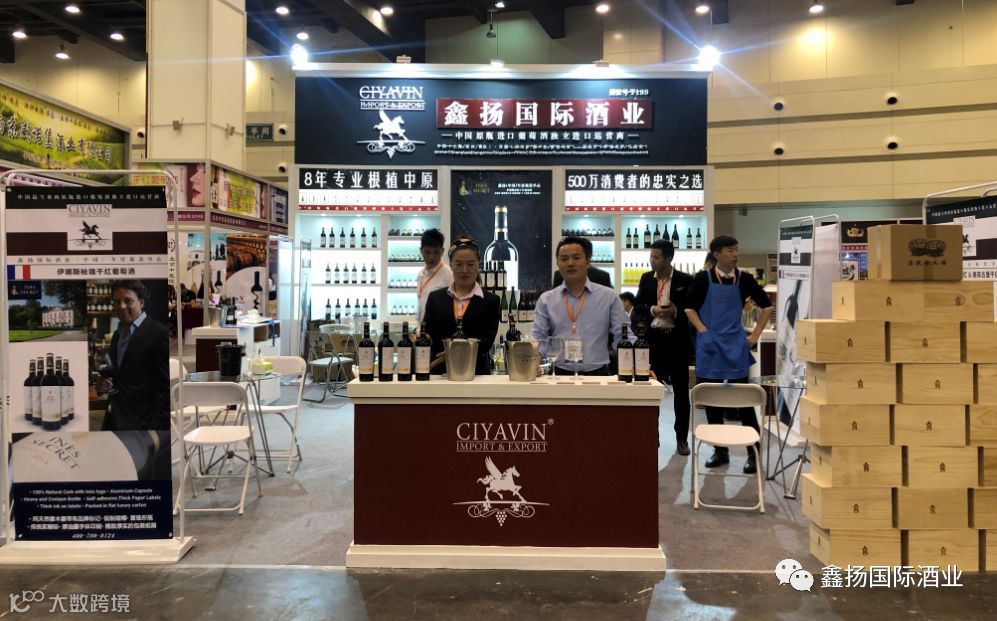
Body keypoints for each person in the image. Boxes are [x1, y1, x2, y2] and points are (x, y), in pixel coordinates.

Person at [685, 235, 773, 474]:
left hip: (735, 345)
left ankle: (753, 452)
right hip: (710, 345)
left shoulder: (744, 279)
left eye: (736, 249)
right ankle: (720, 450)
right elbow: (689, 308)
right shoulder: (702, 279)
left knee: (742, 399)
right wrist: (703, 330)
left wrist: (755, 335)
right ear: (717, 254)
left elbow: (767, 306)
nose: (735, 254)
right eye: (730, 250)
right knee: (712, 399)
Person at [533, 236, 629, 376]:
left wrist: (638, 364)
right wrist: (532, 363)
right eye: (564, 259)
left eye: (576, 257)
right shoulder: (546, 300)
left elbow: (623, 335)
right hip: (559, 376)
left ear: (588, 261)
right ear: (558, 263)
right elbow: (539, 338)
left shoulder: (609, 297)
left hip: (598, 375)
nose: (570, 263)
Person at [634, 239, 694, 456]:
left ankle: (682, 439)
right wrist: (653, 309)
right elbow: (638, 306)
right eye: (651, 256)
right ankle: (652, 436)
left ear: (668, 259)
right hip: (653, 342)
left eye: (656, 257)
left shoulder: (685, 280)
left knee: (681, 392)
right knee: (651, 390)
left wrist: (675, 311)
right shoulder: (646, 279)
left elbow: (691, 310)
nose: (651, 260)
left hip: (676, 341)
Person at [97, 280, 170, 431]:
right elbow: (119, 376)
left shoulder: (159, 334)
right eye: (117, 302)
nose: (121, 306)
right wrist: (103, 385)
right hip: (114, 419)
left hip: (142, 426)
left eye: (128, 301)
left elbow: (166, 388)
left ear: (141, 302)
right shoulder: (117, 334)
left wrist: (155, 429)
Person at [423, 237, 500, 376]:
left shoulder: (491, 301)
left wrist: (453, 353)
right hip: (440, 373)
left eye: (470, 264)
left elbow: (486, 342)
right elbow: (429, 334)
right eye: (458, 264)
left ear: (478, 265)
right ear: (451, 265)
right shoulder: (435, 298)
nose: (464, 270)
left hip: (476, 375)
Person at [416, 228, 453, 322]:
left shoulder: (448, 275)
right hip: (423, 327)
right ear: (421, 251)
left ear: (442, 251)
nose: (431, 257)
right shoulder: (420, 274)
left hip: (439, 327)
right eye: (427, 252)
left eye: (436, 252)